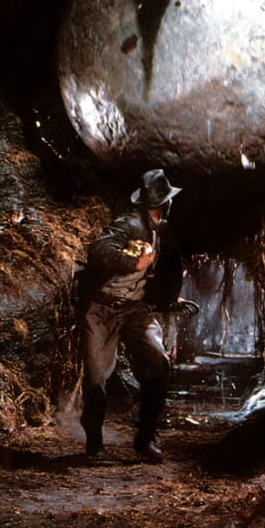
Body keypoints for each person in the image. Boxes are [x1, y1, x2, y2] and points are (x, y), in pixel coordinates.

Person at [79, 169, 182, 464]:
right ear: (165, 204)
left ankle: (145, 439)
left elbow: (163, 273)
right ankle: (95, 444)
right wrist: (133, 262)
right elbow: (99, 249)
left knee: (158, 361)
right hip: (101, 309)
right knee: (96, 377)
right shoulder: (129, 224)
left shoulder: (162, 233)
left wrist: (166, 298)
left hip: (135, 310)